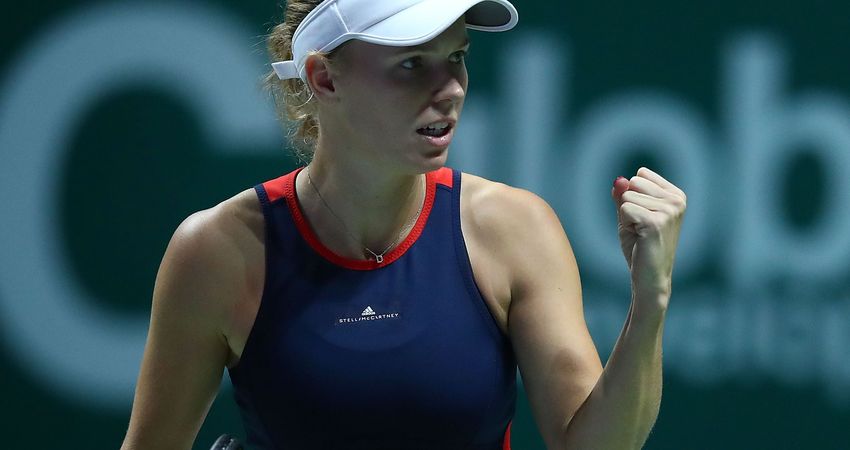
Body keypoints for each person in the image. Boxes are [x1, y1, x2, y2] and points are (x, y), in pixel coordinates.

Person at [120, 0, 687, 448]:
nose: (452, 88)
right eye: (412, 63)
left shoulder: (515, 229)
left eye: (457, 57)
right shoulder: (216, 252)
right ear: (324, 78)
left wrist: (651, 299)